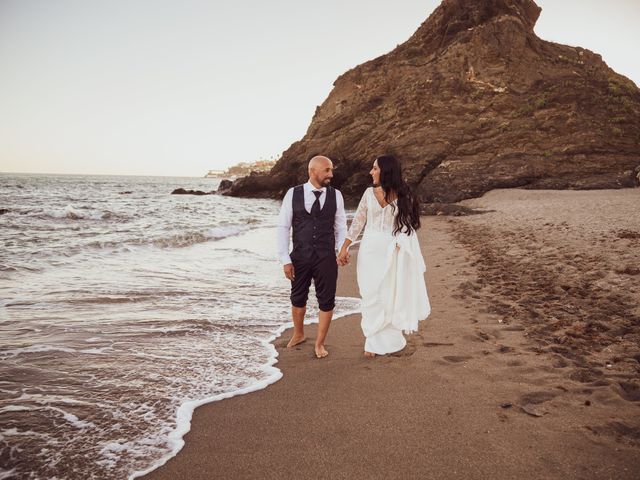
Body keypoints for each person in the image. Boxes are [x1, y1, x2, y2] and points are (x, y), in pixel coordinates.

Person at [337, 154, 430, 357]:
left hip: (392, 251)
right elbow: (358, 223)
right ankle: (373, 336)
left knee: (390, 292)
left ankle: (378, 344)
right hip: (369, 251)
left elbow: (409, 228)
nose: (371, 172)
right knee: (370, 294)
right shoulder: (369, 194)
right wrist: (344, 247)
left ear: (386, 171)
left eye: (375, 168)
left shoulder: (406, 196)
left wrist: (401, 246)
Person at [276, 155, 348, 358]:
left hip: (326, 256)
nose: (331, 174)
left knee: (327, 300)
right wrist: (285, 260)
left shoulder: (337, 196)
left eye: (331, 170)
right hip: (300, 256)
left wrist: (342, 250)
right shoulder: (293, 194)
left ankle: (319, 343)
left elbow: (341, 227)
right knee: (298, 297)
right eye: (327, 170)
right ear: (313, 171)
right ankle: (298, 334)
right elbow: (283, 227)